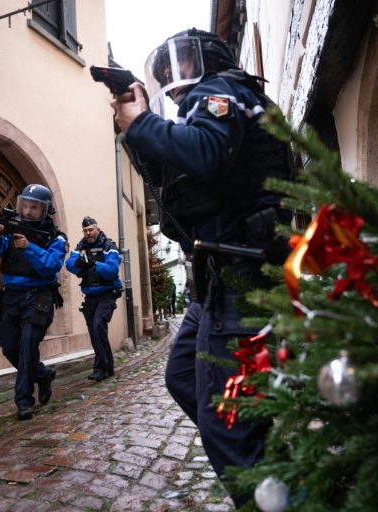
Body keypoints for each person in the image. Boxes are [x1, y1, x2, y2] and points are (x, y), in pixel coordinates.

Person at [111, 28, 294, 506]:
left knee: (227, 425)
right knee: (183, 377)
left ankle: (273, 491)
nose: (175, 79)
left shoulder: (221, 90)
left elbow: (206, 156)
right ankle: (275, 464)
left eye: (182, 67)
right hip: (221, 277)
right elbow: (181, 192)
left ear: (206, 60)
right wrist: (140, 125)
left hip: (240, 273)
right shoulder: (225, 100)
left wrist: (143, 125)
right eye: (166, 73)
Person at [0, 184, 66, 421]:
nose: (28, 212)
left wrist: (29, 248)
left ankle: (24, 400)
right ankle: (42, 374)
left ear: (45, 210)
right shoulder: (12, 228)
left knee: (29, 342)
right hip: (11, 296)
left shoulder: (56, 237)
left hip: (39, 295)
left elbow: (51, 266)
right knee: (8, 345)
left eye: (34, 208)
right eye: (25, 206)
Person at [65, 216, 123, 382]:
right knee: (95, 332)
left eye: (91, 230)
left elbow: (112, 270)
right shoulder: (81, 246)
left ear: (98, 229)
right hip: (90, 295)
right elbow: (69, 264)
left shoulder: (109, 246)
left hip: (107, 293)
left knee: (98, 326)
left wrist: (94, 265)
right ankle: (108, 366)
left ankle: (100, 368)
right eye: (85, 231)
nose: (88, 233)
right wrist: (80, 264)